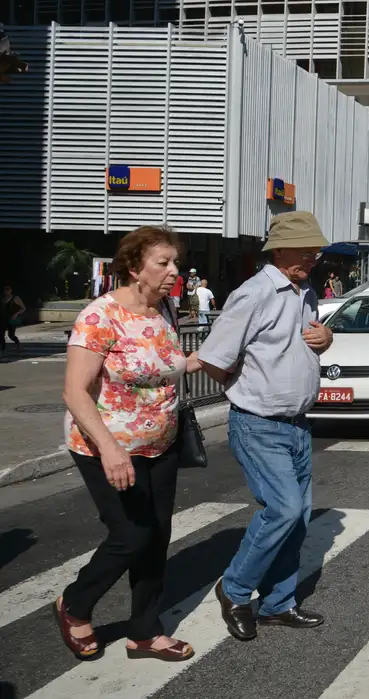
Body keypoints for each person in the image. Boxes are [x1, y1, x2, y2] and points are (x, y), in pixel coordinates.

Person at [56, 226, 202, 662]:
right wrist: (110, 449)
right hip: (105, 445)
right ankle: (75, 604)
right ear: (135, 267)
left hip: (161, 444)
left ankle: (145, 631)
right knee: (131, 535)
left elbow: (171, 365)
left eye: (176, 263)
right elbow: (74, 391)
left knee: (156, 537)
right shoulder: (100, 316)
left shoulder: (165, 310)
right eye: (163, 263)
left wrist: (222, 358)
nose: (174, 271)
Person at [197, 211, 334, 642]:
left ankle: (278, 603)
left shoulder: (305, 292)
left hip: (297, 425)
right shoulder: (254, 293)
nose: (313, 257)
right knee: (284, 510)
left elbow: (301, 345)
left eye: (315, 250)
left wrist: (327, 341)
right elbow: (213, 358)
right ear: (279, 250)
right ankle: (235, 589)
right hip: (259, 423)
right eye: (305, 249)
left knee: (299, 518)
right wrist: (246, 386)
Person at [1, 283, 25, 357]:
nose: (6, 291)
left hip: (11, 319)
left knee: (11, 335)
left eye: (8, 289)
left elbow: (23, 308)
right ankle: (2, 350)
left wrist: (16, 314)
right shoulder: (2, 298)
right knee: (1, 335)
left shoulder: (15, 298)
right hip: (2, 318)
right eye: (5, 289)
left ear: (11, 290)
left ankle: (18, 343)